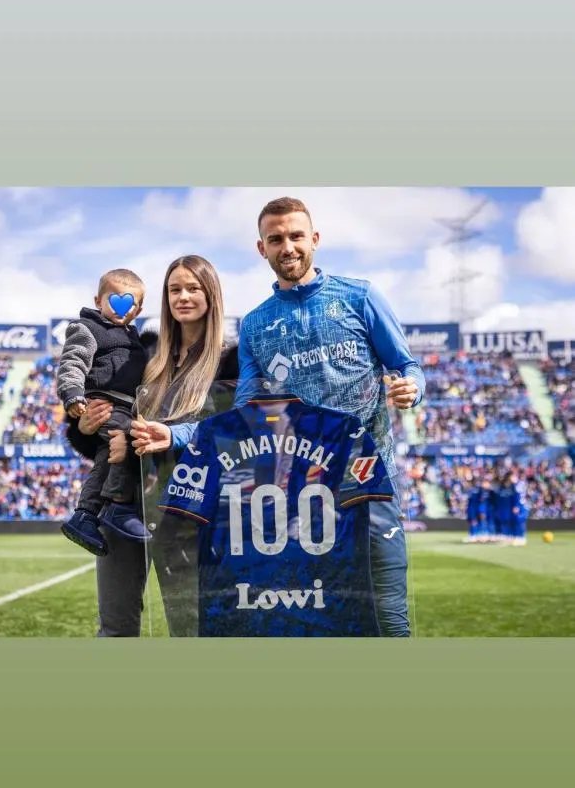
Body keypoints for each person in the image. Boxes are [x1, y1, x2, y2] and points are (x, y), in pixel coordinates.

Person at [235, 196, 426, 637]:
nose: (288, 247)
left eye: (296, 236)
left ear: (315, 239)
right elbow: (245, 410)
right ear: (262, 248)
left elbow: (407, 366)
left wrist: (411, 388)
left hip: (370, 485)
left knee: (389, 622)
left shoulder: (361, 297)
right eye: (276, 239)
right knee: (317, 624)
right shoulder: (255, 325)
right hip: (303, 498)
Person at [66, 255, 228, 637]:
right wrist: (86, 426)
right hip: (123, 508)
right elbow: (103, 406)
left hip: (190, 512)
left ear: (211, 294)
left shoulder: (230, 361)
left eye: (193, 288)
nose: (183, 297)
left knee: (193, 631)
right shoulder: (142, 351)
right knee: (115, 629)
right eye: (174, 289)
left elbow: (232, 434)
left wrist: (169, 438)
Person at [57, 267, 149, 556]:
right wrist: (72, 393)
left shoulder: (135, 338)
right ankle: (119, 506)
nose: (122, 308)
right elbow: (73, 361)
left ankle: (84, 515)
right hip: (104, 403)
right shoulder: (87, 328)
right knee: (132, 437)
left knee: (106, 458)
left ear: (138, 309)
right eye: (114, 299)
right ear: (98, 301)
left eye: (130, 303)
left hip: (125, 406)